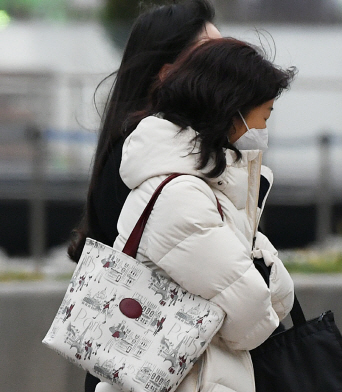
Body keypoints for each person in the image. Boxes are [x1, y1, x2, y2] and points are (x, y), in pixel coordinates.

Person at [95, 37, 296, 392]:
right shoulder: (182, 197)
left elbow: (267, 295)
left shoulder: (205, 188)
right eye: (264, 115)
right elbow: (251, 318)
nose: (265, 128)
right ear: (232, 110)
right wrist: (263, 283)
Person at [66, 1, 221, 391]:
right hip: (147, 367)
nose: (228, 64)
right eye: (211, 54)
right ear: (168, 73)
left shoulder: (137, 146)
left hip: (130, 359)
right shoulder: (150, 157)